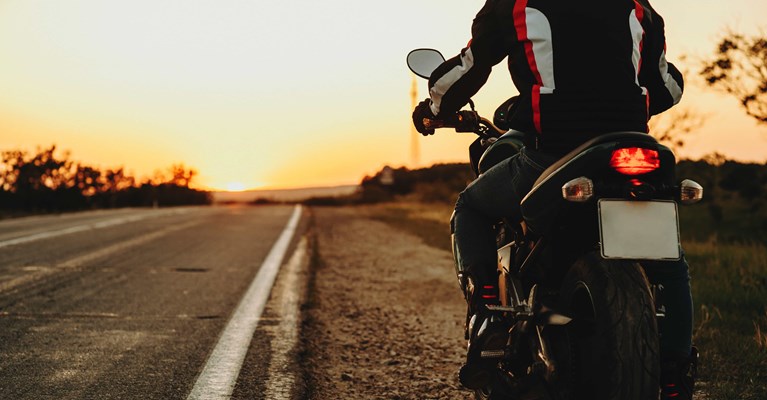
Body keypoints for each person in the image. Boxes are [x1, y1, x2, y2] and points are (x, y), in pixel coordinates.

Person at [411, 0, 695, 398]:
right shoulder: (638, 7)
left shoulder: (513, 5)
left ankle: (489, 316)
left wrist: (435, 108)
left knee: (471, 208)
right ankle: (675, 374)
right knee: (669, 262)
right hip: (630, 146)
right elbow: (666, 86)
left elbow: (469, 67)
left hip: (552, 151)